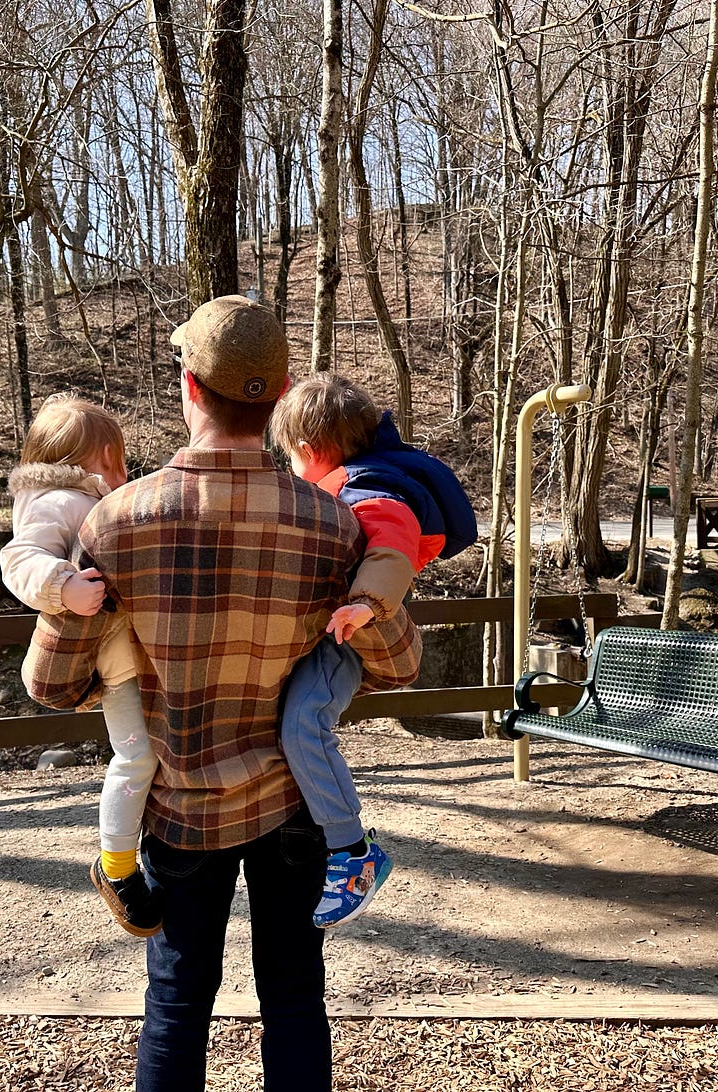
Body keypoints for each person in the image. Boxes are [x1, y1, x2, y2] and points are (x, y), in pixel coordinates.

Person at [22, 295, 422, 1092]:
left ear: (189, 386)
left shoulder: (114, 521)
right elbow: (399, 663)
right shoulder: (332, 524)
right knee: (295, 1000)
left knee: (177, 1002)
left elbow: (52, 684)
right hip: (293, 808)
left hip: (180, 807)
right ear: (275, 399)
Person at [267, 374, 476, 928]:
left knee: (304, 724)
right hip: (337, 625)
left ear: (309, 452)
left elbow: (393, 541)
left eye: (291, 456)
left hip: (347, 635)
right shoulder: (354, 476)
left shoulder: (366, 490)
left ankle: (352, 852)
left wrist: (367, 602)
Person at [0, 393, 162, 937]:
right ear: (67, 464)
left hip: (140, 654)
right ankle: (116, 867)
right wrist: (62, 586)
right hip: (116, 663)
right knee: (136, 758)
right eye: (108, 462)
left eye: (120, 460)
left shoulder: (86, 498)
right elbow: (19, 559)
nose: (119, 472)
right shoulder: (58, 503)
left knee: (156, 754)